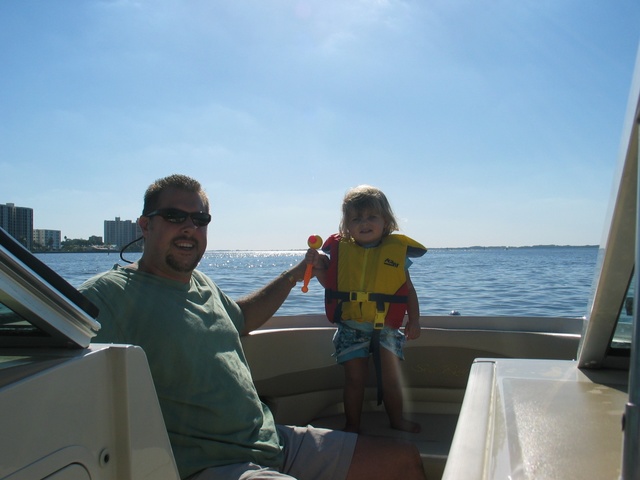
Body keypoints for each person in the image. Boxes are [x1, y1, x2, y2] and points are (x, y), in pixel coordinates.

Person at [79, 174, 426, 480]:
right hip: (212, 464)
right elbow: (41, 337)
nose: (189, 227)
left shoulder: (201, 284)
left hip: (272, 441)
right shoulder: (110, 295)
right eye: (174, 216)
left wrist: (294, 275)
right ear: (145, 225)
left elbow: (243, 317)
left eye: (199, 219)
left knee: (404, 462)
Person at [305, 185, 426, 434]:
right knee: (354, 380)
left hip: (387, 329)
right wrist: (317, 269)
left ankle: (397, 420)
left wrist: (414, 320)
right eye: (356, 218)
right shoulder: (342, 253)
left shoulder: (396, 252)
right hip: (352, 327)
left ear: (386, 221)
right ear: (347, 225)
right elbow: (333, 286)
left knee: (392, 381)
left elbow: (408, 290)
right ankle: (352, 425)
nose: (364, 223)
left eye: (372, 217)